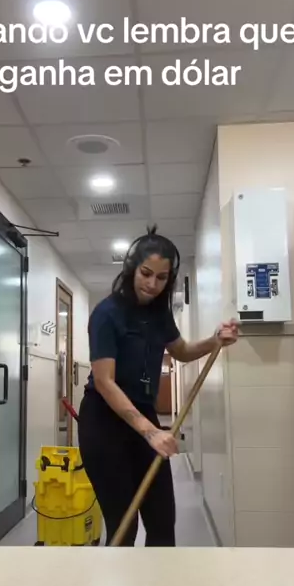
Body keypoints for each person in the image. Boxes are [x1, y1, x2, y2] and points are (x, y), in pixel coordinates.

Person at [78, 226, 238, 547]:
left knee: (163, 522)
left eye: (161, 277)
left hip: (143, 414)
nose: (152, 284)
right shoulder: (106, 314)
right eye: (146, 273)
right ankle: (118, 581)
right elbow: (105, 382)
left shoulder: (159, 314)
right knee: (124, 526)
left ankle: (159, 581)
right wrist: (150, 432)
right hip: (104, 421)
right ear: (131, 268)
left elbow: (182, 351)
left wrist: (214, 341)